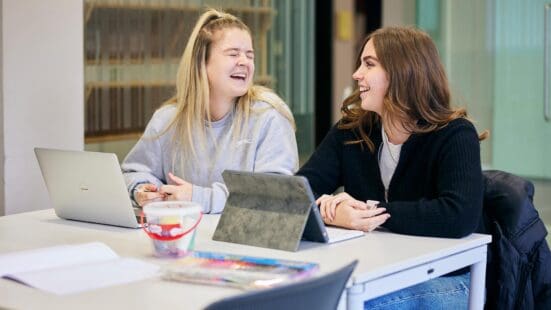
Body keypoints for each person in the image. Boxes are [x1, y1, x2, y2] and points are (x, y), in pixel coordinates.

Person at [297, 26, 487, 309]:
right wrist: (335, 213)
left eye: (369, 64)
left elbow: (458, 216)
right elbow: (296, 196)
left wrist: (366, 212)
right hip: (375, 270)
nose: (356, 74)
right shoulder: (350, 132)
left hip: (447, 279)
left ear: (403, 72)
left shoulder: (455, 134)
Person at [122, 9, 298, 214]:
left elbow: (275, 195)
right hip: (181, 237)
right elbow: (133, 172)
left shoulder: (269, 116)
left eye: (250, 55)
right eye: (233, 53)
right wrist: (142, 189)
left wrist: (196, 198)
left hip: (243, 243)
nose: (244, 61)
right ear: (201, 63)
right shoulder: (167, 119)